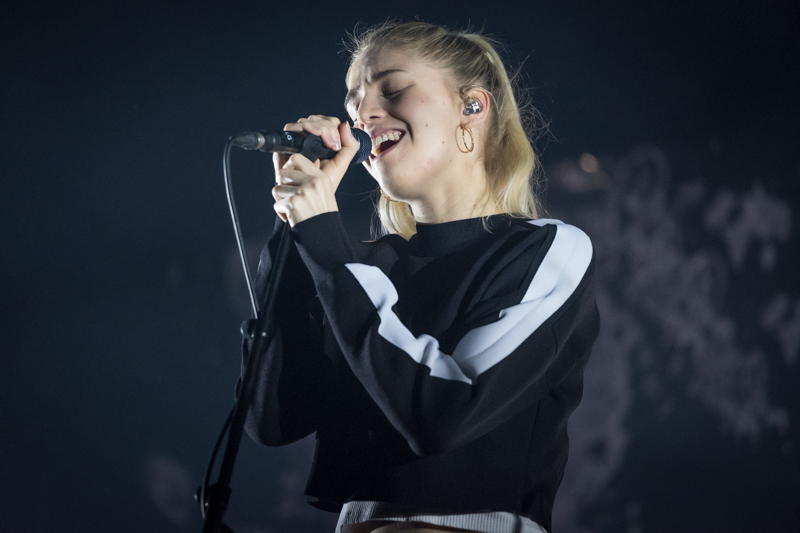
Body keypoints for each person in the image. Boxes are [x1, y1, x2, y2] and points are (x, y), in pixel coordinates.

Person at [241, 21, 600, 533]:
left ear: (472, 107)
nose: (363, 114)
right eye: (353, 103)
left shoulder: (547, 249)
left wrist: (324, 242)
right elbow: (272, 421)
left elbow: (442, 416)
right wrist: (295, 239)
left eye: (393, 88)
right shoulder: (358, 268)